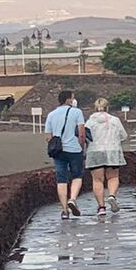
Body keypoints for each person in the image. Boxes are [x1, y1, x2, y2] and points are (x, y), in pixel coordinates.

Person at [44, 89, 86, 219]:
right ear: (68, 100)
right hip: (74, 149)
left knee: (61, 179)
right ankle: (72, 199)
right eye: (72, 98)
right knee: (77, 176)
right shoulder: (77, 112)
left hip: (58, 151)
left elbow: (47, 136)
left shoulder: (51, 114)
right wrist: (81, 146)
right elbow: (81, 132)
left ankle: (64, 210)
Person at [83, 98, 128, 216]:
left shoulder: (90, 122)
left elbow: (85, 137)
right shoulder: (115, 120)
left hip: (95, 151)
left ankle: (101, 207)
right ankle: (112, 195)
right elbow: (124, 136)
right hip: (112, 151)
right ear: (108, 107)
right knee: (113, 177)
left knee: (97, 180)